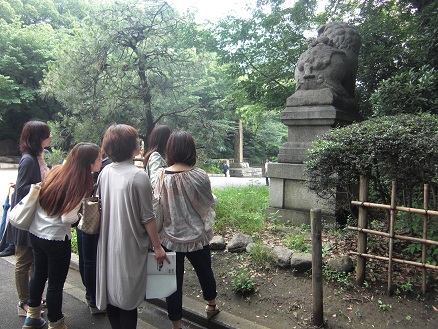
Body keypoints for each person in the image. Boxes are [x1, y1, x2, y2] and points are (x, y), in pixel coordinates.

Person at [96, 124, 169, 329]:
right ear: (130, 145)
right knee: (128, 299)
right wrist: (157, 246)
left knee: (112, 293)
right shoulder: (138, 176)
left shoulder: (106, 172)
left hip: (108, 241)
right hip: (129, 245)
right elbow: (148, 217)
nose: (139, 141)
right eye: (136, 138)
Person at [22, 142, 102, 329]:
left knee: (39, 274)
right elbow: (68, 217)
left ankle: (32, 318)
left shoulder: (57, 171)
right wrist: (83, 214)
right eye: (98, 158)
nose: (100, 160)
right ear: (89, 162)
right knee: (56, 283)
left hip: (37, 232)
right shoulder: (80, 183)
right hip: (56, 238)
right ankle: (56, 322)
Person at [157, 131, 220, 329]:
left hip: (167, 237)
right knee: (205, 272)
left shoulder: (160, 176)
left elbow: (156, 206)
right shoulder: (199, 175)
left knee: (171, 283)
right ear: (191, 150)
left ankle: (177, 325)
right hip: (197, 236)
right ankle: (211, 305)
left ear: (170, 150)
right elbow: (207, 203)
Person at [2, 120, 51, 318]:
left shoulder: (38, 157)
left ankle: (34, 297)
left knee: (32, 262)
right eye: (47, 134)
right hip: (25, 219)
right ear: (38, 138)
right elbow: (22, 190)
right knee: (23, 261)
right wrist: (44, 184)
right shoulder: (29, 160)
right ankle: (24, 301)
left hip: (33, 218)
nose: (50, 137)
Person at [76, 154, 111, 315]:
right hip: (92, 223)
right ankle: (93, 299)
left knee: (86, 260)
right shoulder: (104, 169)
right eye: (97, 158)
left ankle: (91, 296)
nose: (100, 160)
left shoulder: (79, 175)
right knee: (90, 261)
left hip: (84, 223)